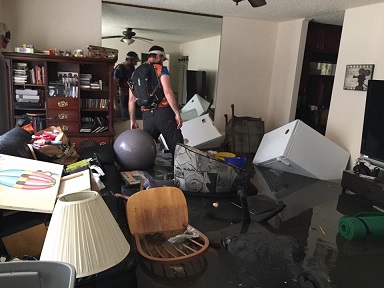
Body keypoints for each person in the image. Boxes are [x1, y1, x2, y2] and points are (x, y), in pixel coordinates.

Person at [129, 45, 183, 156]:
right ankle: (179, 172)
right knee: (176, 146)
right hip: (164, 113)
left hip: (147, 115)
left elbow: (131, 99)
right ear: (159, 56)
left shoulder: (135, 73)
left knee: (146, 148)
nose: (162, 61)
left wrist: (132, 120)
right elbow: (167, 92)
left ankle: (144, 171)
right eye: (163, 58)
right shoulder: (161, 69)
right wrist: (177, 113)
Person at [113, 51, 140, 118]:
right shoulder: (119, 69)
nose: (136, 63)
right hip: (123, 96)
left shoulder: (132, 68)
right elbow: (113, 86)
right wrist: (115, 103)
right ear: (130, 60)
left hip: (133, 95)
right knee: (125, 117)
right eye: (135, 61)